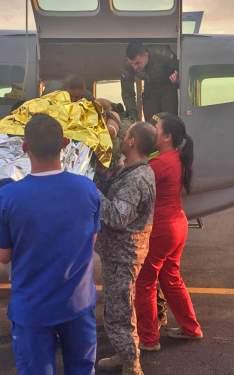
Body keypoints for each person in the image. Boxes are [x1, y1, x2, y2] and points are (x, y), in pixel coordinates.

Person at [0, 113, 101, 375]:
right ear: (64, 143)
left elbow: (2, 256)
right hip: (78, 303)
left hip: (33, 309)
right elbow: (90, 239)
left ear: (25, 146)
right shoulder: (87, 189)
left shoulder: (7, 197)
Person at [135, 113, 202, 352]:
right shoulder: (175, 157)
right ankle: (191, 328)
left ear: (167, 137)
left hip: (161, 230)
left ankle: (148, 339)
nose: (153, 131)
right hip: (177, 225)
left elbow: (134, 185)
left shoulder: (159, 164)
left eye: (156, 128)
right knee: (171, 278)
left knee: (144, 282)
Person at [95, 122, 157, 375]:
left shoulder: (136, 178)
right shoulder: (136, 170)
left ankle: (132, 364)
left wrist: (91, 191)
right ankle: (124, 354)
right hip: (121, 252)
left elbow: (118, 217)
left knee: (120, 310)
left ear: (132, 142)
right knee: (116, 305)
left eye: (126, 133)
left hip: (124, 254)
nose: (122, 136)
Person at [121, 41, 179, 122]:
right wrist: (133, 118)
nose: (134, 67)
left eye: (137, 63)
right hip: (150, 91)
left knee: (169, 122)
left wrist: (177, 77)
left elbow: (182, 70)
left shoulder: (162, 54)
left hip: (167, 88)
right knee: (151, 124)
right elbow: (127, 93)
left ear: (146, 55)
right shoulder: (127, 65)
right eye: (132, 64)